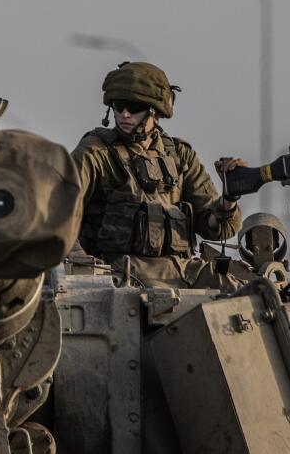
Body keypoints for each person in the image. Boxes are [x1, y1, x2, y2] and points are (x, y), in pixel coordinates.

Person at [71, 61, 245, 289]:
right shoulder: (95, 153)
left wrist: (229, 199)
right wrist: (84, 271)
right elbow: (59, 216)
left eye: (133, 107)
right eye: (119, 105)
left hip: (181, 274)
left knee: (248, 293)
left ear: (156, 111)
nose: (124, 114)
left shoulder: (180, 155)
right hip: (118, 276)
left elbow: (214, 227)